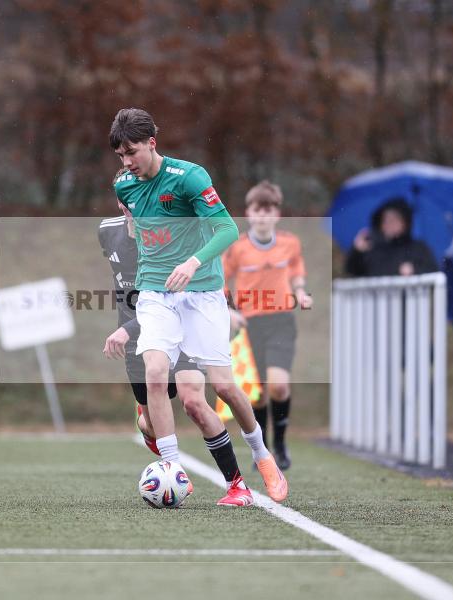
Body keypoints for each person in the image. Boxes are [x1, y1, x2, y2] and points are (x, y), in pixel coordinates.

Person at [109, 107, 287, 502]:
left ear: (152, 143)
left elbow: (228, 229)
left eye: (132, 152)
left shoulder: (190, 177)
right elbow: (140, 227)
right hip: (155, 293)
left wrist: (192, 262)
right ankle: (172, 468)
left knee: (224, 387)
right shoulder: (124, 185)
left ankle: (262, 453)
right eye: (121, 156)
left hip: (202, 292)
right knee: (156, 373)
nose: (127, 162)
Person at [99, 209, 254, 506]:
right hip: (142, 336)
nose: (135, 204)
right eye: (127, 198)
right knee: (150, 425)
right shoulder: (107, 230)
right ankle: (148, 423)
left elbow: (199, 279)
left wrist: (225, 307)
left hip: (180, 325)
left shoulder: (172, 233)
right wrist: (130, 325)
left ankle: (237, 485)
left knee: (194, 402)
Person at [222, 181, 311, 471]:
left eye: (268, 210)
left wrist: (300, 292)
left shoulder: (290, 243)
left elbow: (296, 270)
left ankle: (281, 444)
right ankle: (264, 451)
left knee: (279, 387)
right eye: (257, 210)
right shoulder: (237, 247)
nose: (262, 216)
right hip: (249, 324)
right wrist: (229, 311)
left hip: (281, 321)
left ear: (277, 214)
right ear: (248, 213)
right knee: (257, 393)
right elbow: (220, 280)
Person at [344, 197, 438, 277]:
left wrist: (415, 270)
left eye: (394, 219)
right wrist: (357, 252)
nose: (389, 224)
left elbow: (433, 271)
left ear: (405, 223)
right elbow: (353, 271)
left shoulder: (418, 248)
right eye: (385, 220)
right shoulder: (372, 248)